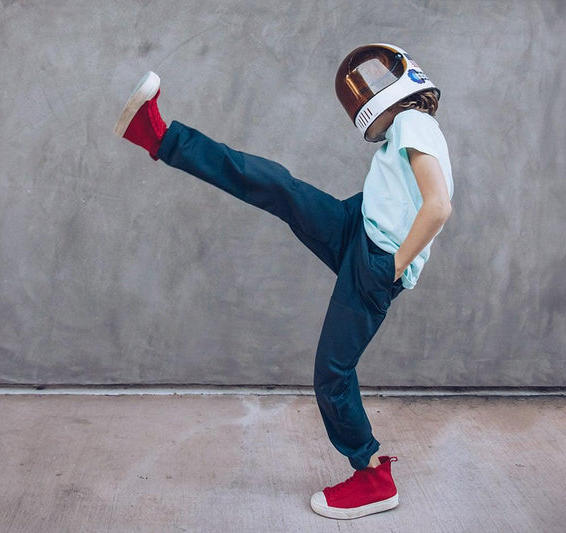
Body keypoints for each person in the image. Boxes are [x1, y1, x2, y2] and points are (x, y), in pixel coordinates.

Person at [113, 44, 454, 520]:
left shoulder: (415, 123)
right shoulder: (402, 131)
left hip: (374, 258)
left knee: (332, 376)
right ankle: (158, 137)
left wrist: (393, 265)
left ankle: (374, 477)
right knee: (280, 189)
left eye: (372, 82)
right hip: (360, 229)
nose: (365, 93)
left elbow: (438, 206)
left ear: (405, 80)